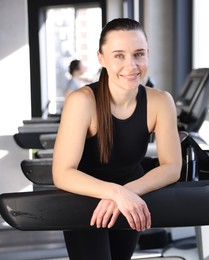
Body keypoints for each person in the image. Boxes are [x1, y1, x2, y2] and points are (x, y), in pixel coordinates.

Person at [52, 18, 182, 260]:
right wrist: (115, 193)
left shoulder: (161, 101)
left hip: (130, 197)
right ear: (101, 58)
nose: (131, 65)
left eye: (138, 54)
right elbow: (62, 173)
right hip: (84, 197)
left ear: (147, 55)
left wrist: (125, 193)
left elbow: (172, 166)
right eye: (119, 55)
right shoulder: (82, 101)